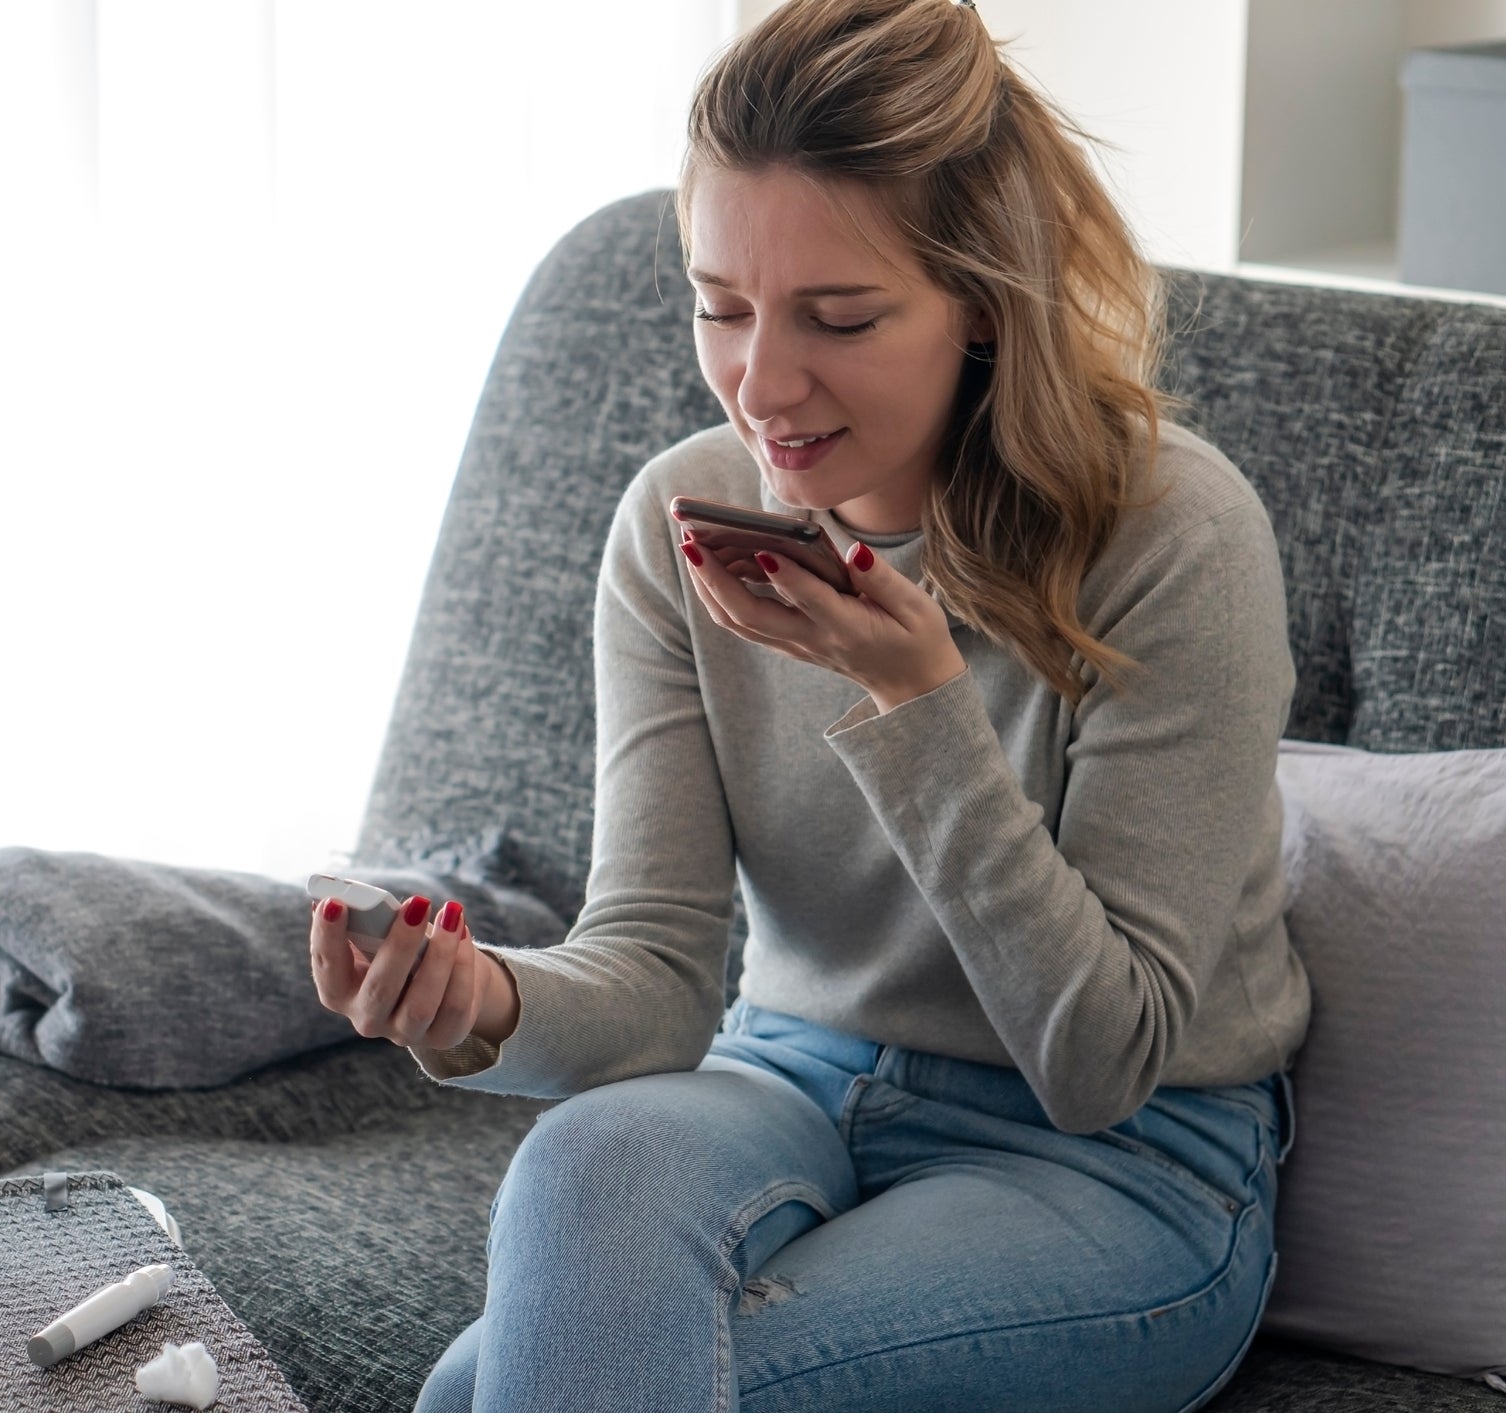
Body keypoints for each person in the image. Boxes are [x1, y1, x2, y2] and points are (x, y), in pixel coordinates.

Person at [306, 0, 1310, 1407]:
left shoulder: (1171, 533)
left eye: (836, 317)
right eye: (719, 307)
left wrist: (913, 698)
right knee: (584, 1157)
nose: (760, 384)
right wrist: (479, 1002)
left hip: (1118, 1163)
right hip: (781, 1077)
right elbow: (657, 979)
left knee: (489, 1390)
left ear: (978, 301)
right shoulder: (674, 517)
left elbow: (1103, 1057)